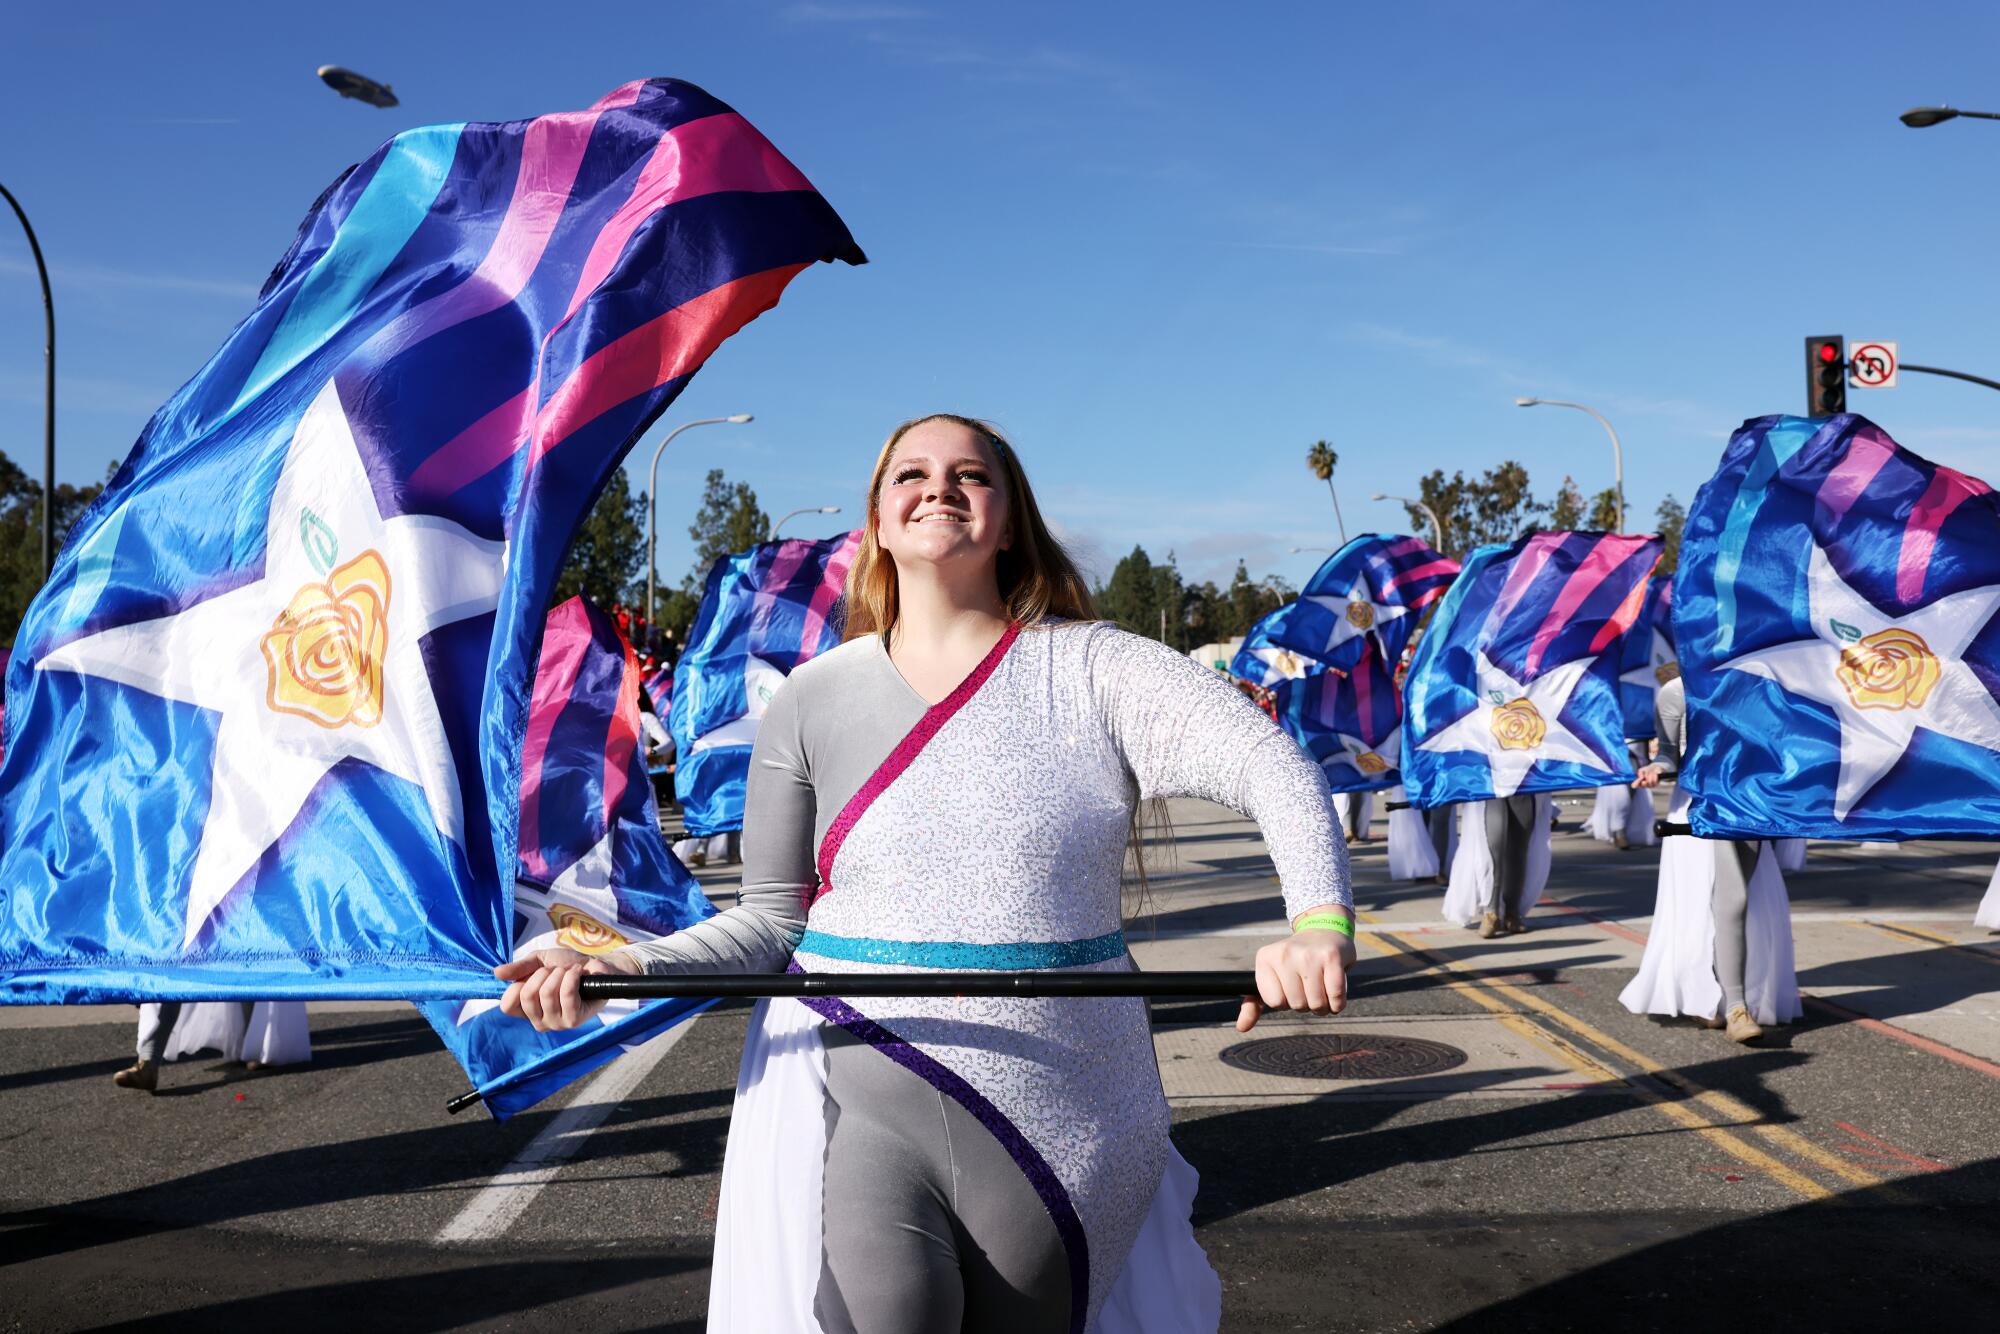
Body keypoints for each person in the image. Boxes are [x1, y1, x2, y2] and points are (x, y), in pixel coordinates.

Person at [496, 414, 1354, 1333]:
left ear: (1011, 518)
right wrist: (628, 966)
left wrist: (1318, 924)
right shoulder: (811, 697)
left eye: (970, 475)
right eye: (912, 473)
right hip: (856, 1078)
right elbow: (771, 924)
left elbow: (1275, 765)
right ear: (877, 517)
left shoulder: (1098, 668)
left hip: (1072, 1110)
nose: (939, 488)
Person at [1618, 672, 1800, 1042]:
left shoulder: (1761, 681)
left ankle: (1715, 998)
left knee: (1738, 903)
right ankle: (1736, 1008)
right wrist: (1657, 767)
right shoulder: (1675, 692)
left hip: (1751, 804)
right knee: (1732, 899)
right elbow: (1670, 754)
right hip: (1700, 807)